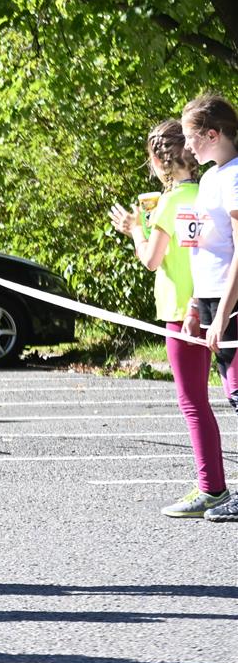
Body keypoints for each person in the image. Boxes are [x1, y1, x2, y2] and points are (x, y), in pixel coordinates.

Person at [110, 121, 228, 519]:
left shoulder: (170, 201)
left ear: (161, 162)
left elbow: (151, 259)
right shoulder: (203, 191)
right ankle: (212, 484)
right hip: (209, 303)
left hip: (182, 311)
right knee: (215, 397)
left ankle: (212, 487)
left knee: (193, 403)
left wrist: (134, 230)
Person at [181, 94, 238, 523]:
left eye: (192, 138)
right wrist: (195, 303)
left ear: (213, 134)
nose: (187, 147)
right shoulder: (208, 179)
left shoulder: (234, 177)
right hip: (211, 296)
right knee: (233, 394)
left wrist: (222, 313)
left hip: (231, 300)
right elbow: (203, 248)